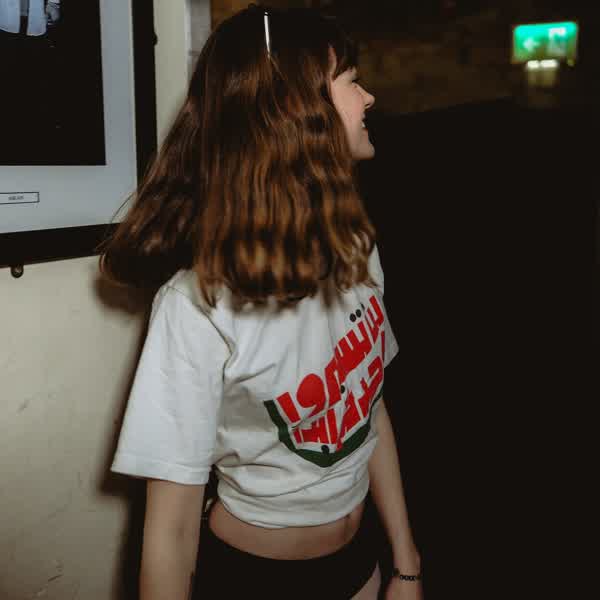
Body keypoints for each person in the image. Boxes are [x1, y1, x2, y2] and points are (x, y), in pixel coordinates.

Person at [100, 5, 422, 599]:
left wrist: (406, 564)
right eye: (352, 81)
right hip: (254, 578)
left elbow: (370, 411)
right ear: (298, 113)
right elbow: (170, 531)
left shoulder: (356, 248)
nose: (369, 97)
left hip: (361, 562)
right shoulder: (196, 306)